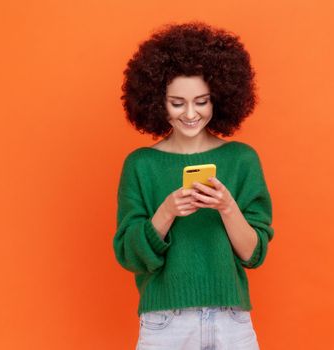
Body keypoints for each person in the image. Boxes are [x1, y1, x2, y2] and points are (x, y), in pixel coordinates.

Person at [113, 21, 274, 350]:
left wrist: (227, 207)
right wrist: (167, 211)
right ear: (158, 102)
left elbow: (253, 254)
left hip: (231, 323)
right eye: (177, 103)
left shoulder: (242, 160)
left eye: (201, 101)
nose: (190, 113)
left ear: (219, 98)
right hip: (165, 324)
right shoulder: (140, 165)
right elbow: (129, 255)